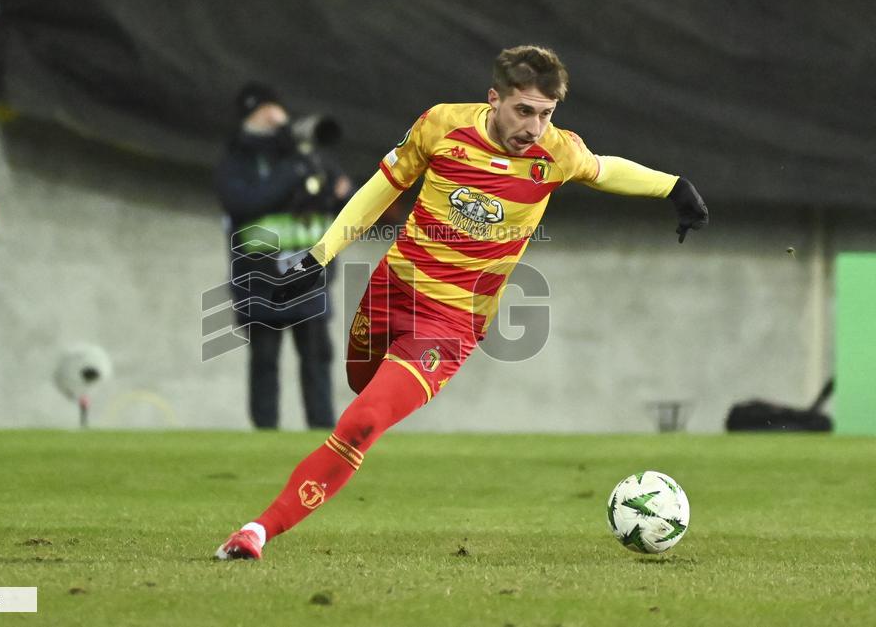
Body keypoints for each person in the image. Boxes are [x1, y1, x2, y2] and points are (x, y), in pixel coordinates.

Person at [215, 45, 709, 560]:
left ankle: (256, 531)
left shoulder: (556, 153)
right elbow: (381, 190)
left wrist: (674, 187)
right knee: (360, 385)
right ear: (494, 99)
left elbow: (605, 169)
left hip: (450, 324)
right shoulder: (441, 125)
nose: (534, 128)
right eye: (524, 111)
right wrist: (321, 255)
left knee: (361, 423)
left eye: (546, 114)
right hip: (391, 291)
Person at [215, 83, 352, 430]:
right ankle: (265, 433)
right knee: (264, 359)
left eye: (277, 111)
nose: (276, 120)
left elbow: (342, 197)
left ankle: (322, 432)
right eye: (265, 113)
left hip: (310, 276)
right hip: (260, 279)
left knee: (317, 357)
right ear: (249, 118)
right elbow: (244, 202)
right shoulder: (238, 160)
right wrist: (291, 171)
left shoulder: (310, 157)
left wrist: (340, 193)